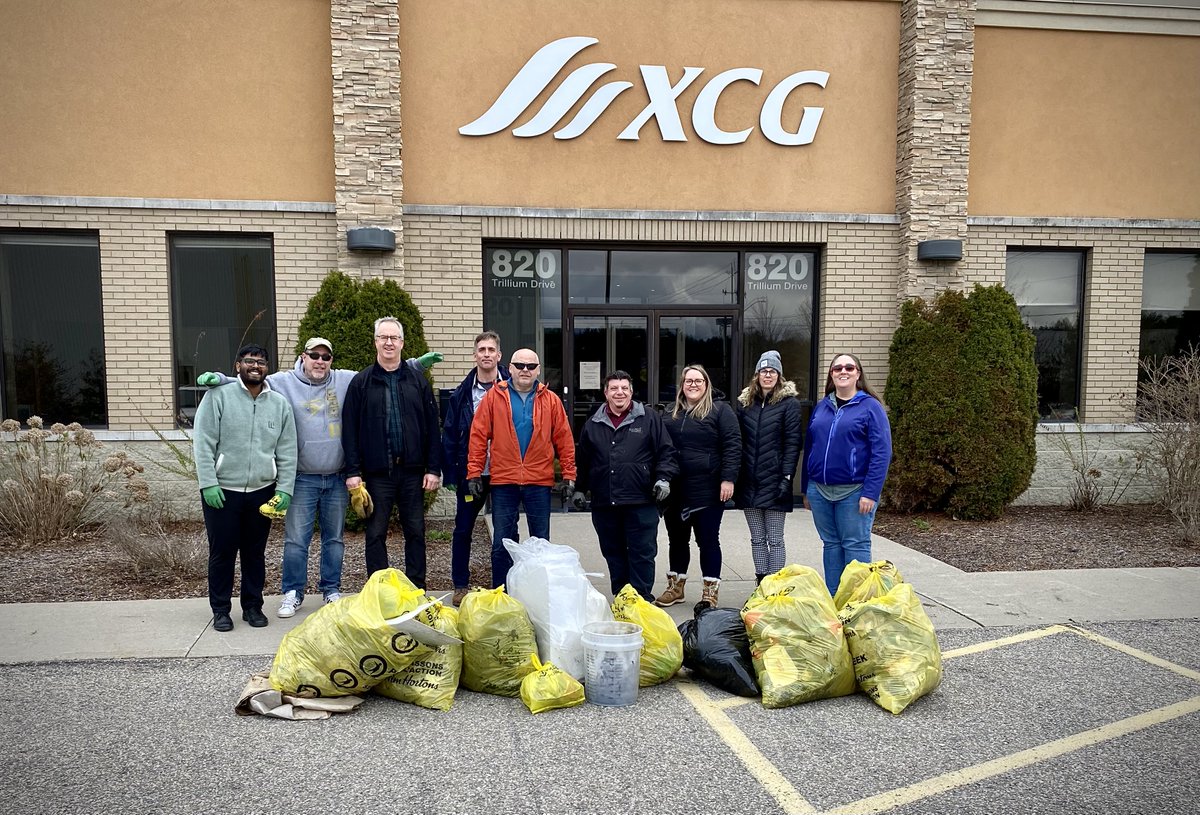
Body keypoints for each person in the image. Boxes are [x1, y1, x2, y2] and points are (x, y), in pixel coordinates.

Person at [197, 339, 441, 618]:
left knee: (334, 540)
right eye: (314, 355)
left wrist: (416, 365)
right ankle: (293, 592)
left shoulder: (344, 379)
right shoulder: (283, 382)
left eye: (326, 357)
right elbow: (252, 376)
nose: (320, 361)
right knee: (296, 540)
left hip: (336, 477)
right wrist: (219, 379)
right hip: (302, 478)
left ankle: (330, 589)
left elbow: (383, 369)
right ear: (304, 357)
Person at [192, 344, 297, 632]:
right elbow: (202, 444)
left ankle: (252, 606)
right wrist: (208, 483)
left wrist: (284, 490)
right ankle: (221, 610)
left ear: (267, 368)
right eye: (249, 361)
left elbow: (287, 451)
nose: (255, 366)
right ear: (238, 365)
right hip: (222, 492)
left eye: (261, 362)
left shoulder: (279, 404)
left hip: (262, 492)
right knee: (222, 553)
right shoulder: (218, 397)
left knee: (255, 553)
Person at [342, 317, 442, 588]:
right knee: (375, 534)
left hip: (412, 472)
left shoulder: (417, 382)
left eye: (394, 338)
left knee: (416, 533)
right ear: (375, 341)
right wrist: (352, 471)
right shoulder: (362, 383)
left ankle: (416, 589)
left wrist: (433, 468)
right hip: (377, 475)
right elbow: (349, 430)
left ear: (402, 343)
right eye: (383, 337)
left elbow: (433, 427)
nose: (389, 342)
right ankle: (380, 589)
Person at [466, 348, 576, 589]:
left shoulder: (551, 400)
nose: (525, 370)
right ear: (510, 368)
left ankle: (537, 594)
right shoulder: (494, 397)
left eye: (531, 366)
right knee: (502, 543)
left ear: (538, 370)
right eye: (519, 365)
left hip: (539, 482)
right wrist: (474, 472)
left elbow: (564, 439)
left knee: (541, 544)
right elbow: (478, 435)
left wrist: (569, 475)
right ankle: (501, 594)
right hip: (504, 481)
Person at [574, 370, 678, 601]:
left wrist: (663, 478)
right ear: (606, 393)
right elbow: (584, 460)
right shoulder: (593, 423)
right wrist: (580, 488)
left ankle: (641, 600)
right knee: (614, 553)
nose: (619, 392)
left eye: (624, 388)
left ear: (631, 392)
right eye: (614, 388)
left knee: (642, 553)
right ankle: (622, 598)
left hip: (641, 500)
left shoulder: (649, 418)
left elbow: (666, 452)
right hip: (605, 502)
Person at [802, 353, 893, 596]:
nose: (843, 371)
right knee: (831, 545)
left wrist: (871, 493)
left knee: (855, 545)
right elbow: (810, 447)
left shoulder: (871, 407)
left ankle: (858, 601)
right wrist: (806, 488)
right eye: (837, 367)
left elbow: (881, 453)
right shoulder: (822, 407)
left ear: (858, 374)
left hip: (854, 493)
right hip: (820, 490)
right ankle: (835, 598)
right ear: (831, 374)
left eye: (849, 367)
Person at [655, 364, 742, 609]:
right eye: (688, 380)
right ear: (682, 385)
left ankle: (710, 591)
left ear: (706, 384)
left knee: (708, 541)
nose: (693, 384)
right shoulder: (671, 412)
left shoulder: (720, 411)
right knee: (677, 540)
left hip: (708, 488)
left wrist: (728, 478)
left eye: (698, 380)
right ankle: (676, 587)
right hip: (677, 489)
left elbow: (733, 446)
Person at [441, 331, 509, 605]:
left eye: (491, 349)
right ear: (475, 355)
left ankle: (502, 587)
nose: (486, 354)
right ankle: (460, 584)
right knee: (463, 529)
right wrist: (452, 473)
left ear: (499, 355)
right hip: (472, 474)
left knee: (506, 532)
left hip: (505, 472)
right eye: (482, 349)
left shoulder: (513, 386)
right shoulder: (461, 393)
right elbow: (449, 432)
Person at [736, 350, 802, 584]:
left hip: (775, 481)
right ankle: (761, 582)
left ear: (779, 375)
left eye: (772, 371)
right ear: (757, 375)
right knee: (756, 538)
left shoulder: (789, 405)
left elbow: (793, 443)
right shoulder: (745, 404)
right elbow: (737, 441)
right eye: (764, 371)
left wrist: (787, 477)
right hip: (749, 482)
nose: (768, 375)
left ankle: (775, 583)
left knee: (775, 538)